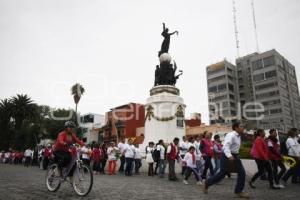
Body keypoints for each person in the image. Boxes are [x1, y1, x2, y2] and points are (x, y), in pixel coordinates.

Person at [204, 122, 250, 199]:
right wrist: (229, 156)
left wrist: (234, 155)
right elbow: (226, 146)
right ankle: (207, 183)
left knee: (242, 172)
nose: (243, 127)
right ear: (236, 128)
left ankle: (238, 191)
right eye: (241, 126)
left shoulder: (238, 136)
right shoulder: (231, 135)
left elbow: (234, 148)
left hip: (234, 156)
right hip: (227, 156)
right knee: (222, 174)